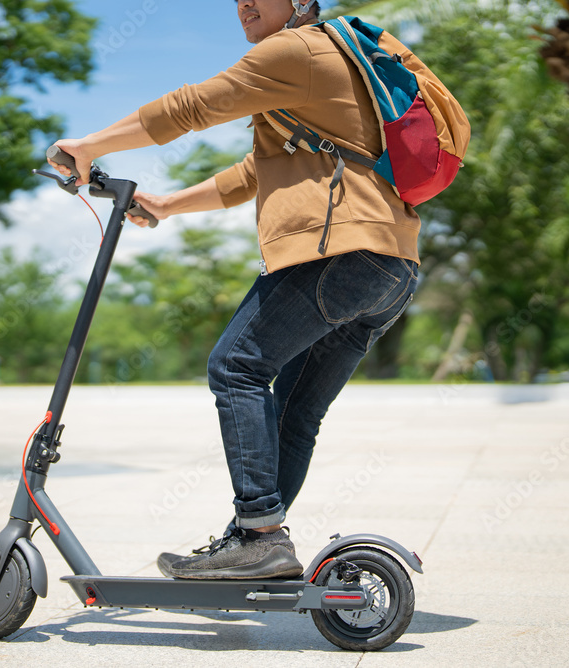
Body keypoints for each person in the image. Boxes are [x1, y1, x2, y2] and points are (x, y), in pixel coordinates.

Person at [50, 0, 420, 580]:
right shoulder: (334, 58)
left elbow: (193, 106)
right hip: (389, 269)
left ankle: (260, 534)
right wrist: (171, 204)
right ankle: (257, 544)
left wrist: (92, 146)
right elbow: (257, 170)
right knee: (295, 412)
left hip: (339, 253)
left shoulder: (293, 50)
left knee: (236, 365)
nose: (244, 3)